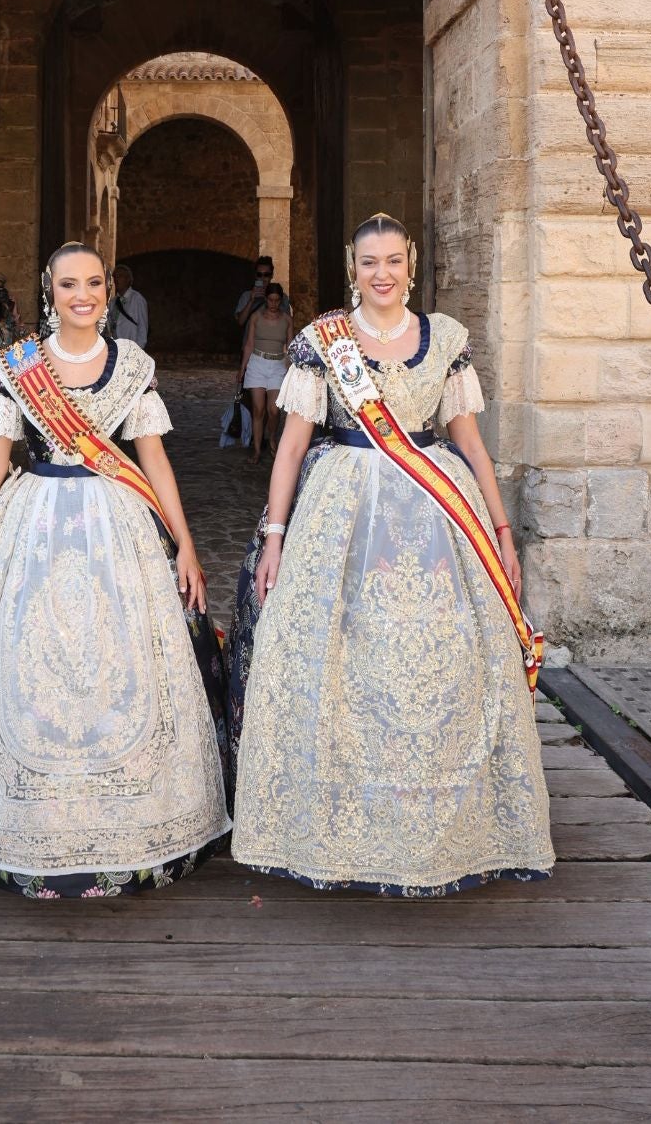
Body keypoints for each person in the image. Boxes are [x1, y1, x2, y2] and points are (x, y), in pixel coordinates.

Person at [227, 212, 553, 894]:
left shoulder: (444, 342)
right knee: (344, 660)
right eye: (369, 262)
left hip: (437, 514)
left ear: (410, 263)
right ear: (354, 268)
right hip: (342, 511)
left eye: (393, 262)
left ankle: (445, 821)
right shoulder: (324, 343)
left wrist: (500, 529)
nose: (382, 274)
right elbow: (290, 447)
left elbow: (468, 442)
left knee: (441, 662)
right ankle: (342, 818)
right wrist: (276, 536)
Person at [0, 242, 230, 898]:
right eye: (68, 284)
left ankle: (129, 823)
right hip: (32, 525)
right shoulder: (20, 367)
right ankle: (26, 821)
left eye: (93, 282)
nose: (81, 294)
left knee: (116, 663)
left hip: (116, 527)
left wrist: (187, 545)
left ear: (108, 289)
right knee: (33, 665)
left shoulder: (133, 365)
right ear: (49, 289)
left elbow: (154, 460)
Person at [237, 282, 292, 464]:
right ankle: (257, 450)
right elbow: (249, 344)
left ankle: (273, 437)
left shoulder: (287, 319)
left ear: (281, 300)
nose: (273, 304)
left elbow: (291, 347)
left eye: (277, 300)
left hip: (277, 364)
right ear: (266, 299)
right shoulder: (256, 317)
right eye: (270, 300)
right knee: (258, 409)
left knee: (274, 410)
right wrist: (242, 369)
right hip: (257, 363)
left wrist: (291, 368)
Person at [234, 255, 291, 336]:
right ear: (255, 276)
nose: (263, 278)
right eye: (259, 274)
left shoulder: (282, 297)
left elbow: (287, 324)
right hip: (252, 344)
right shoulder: (247, 296)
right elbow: (240, 322)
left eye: (266, 274)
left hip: (274, 343)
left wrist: (270, 300)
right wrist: (251, 301)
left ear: (271, 275)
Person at [109, 262, 149, 348]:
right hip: (117, 348)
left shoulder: (137, 299)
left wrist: (138, 350)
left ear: (128, 279)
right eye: (115, 277)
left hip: (132, 349)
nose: (116, 279)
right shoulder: (113, 302)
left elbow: (143, 327)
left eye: (120, 276)